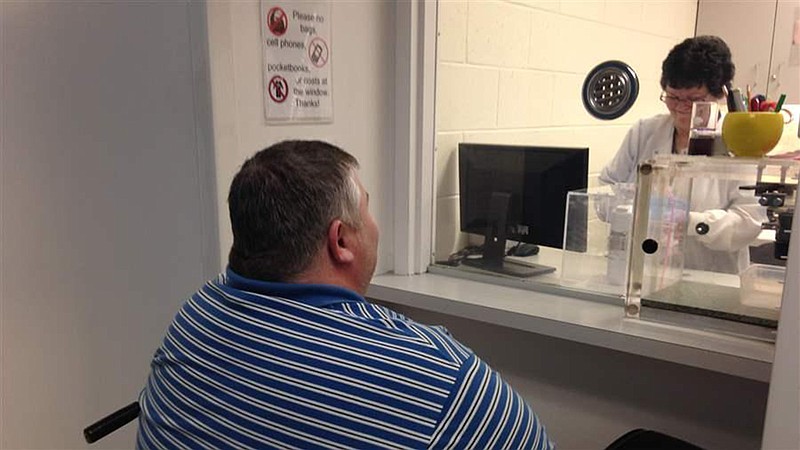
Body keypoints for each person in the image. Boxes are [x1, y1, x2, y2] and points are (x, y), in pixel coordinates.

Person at [136, 140, 553, 449]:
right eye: (367, 208)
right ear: (341, 241)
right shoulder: (439, 379)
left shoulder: (194, 316)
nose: (374, 223)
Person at [600, 36, 765, 274]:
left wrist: (690, 222)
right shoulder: (644, 132)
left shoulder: (739, 143)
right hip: (644, 274)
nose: (680, 108)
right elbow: (605, 191)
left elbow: (748, 221)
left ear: (719, 94)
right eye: (673, 97)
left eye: (694, 100)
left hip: (711, 280)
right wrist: (631, 208)